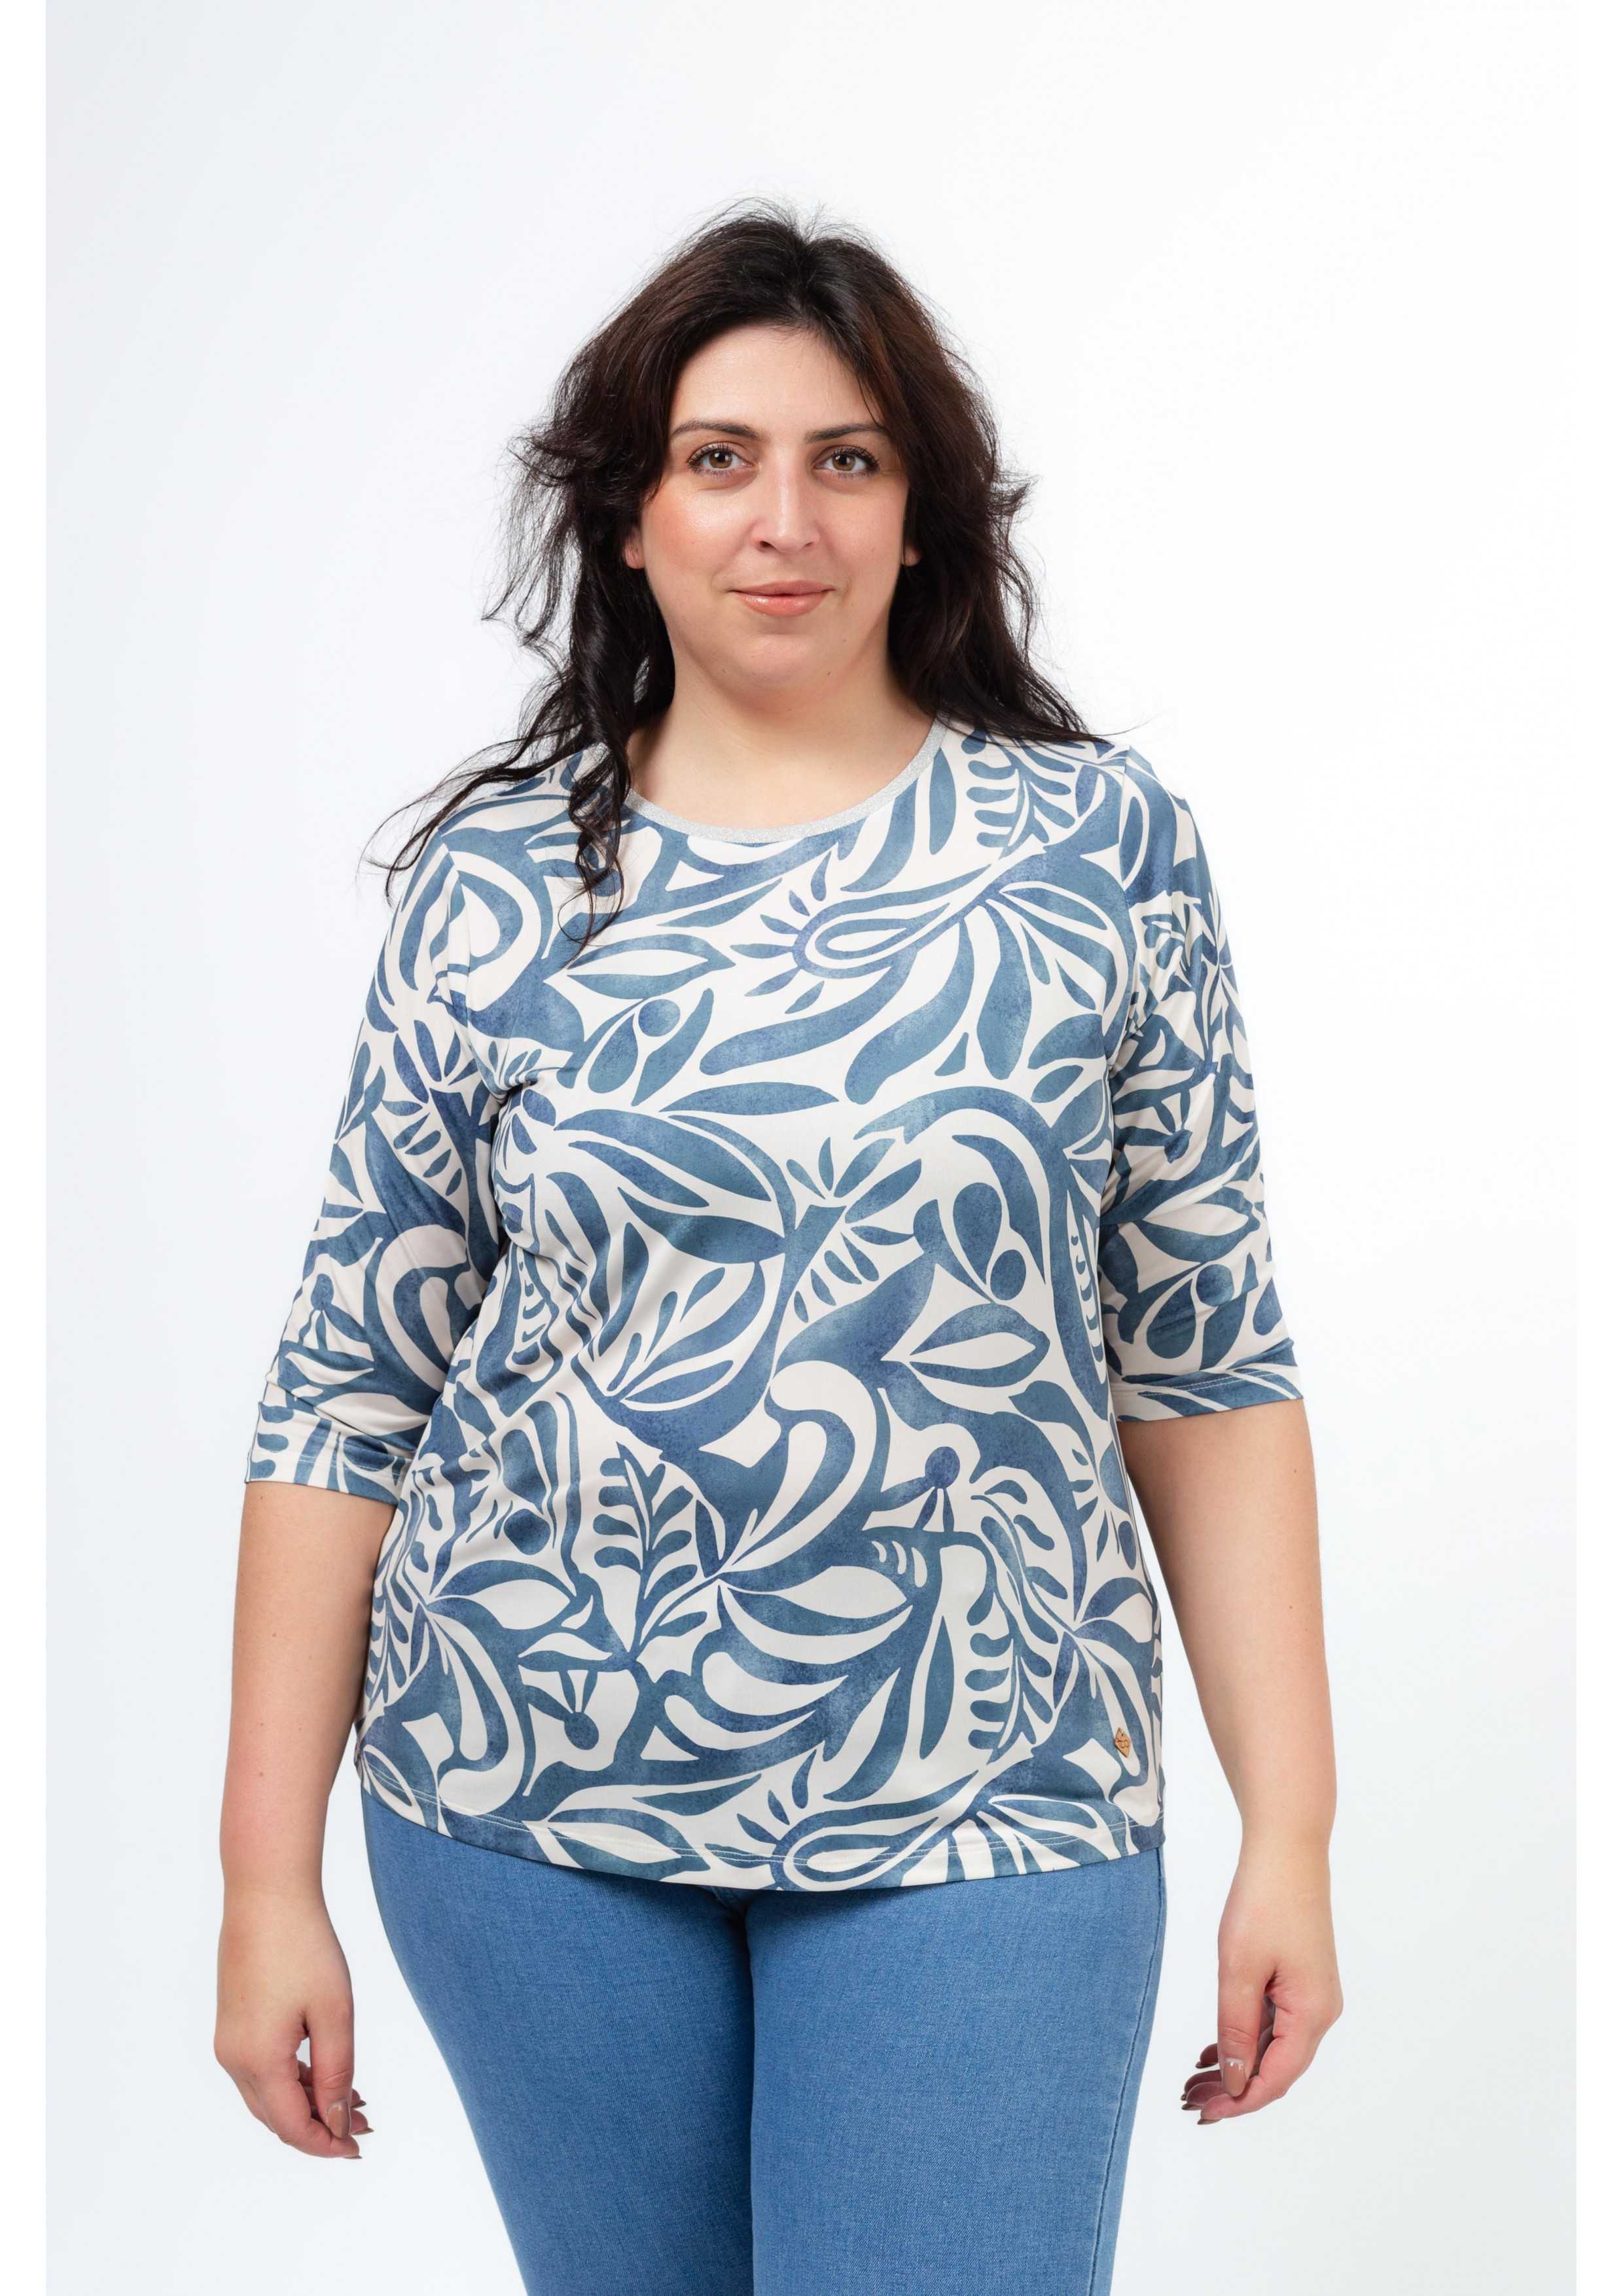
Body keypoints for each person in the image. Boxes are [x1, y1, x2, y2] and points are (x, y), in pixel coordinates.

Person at [215, 196, 1342, 2296]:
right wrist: (262, 1877)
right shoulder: (494, 886)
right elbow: (347, 1392)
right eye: (719, 458)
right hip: (524, 1781)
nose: (783, 519)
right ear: (628, 516)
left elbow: (1204, 1356)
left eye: (848, 458)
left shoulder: (1097, 853)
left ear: (921, 514)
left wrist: (1294, 1825)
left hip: (993, 1780)